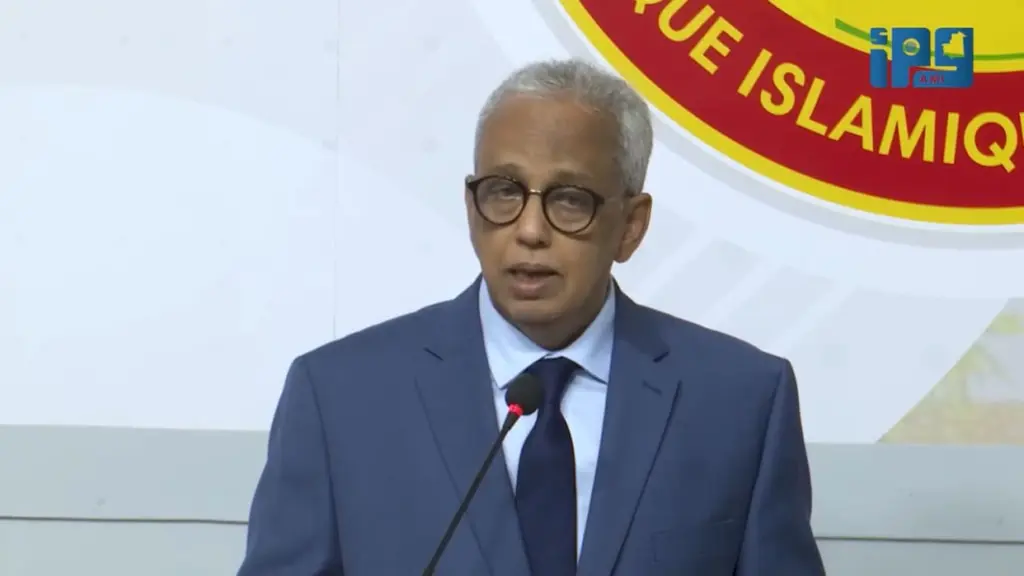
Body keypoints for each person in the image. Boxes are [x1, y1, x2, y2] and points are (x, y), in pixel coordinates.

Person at [237, 58, 825, 575]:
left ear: (631, 226)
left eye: (570, 199)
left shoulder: (741, 401)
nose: (530, 230)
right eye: (503, 191)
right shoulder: (340, 397)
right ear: (471, 207)